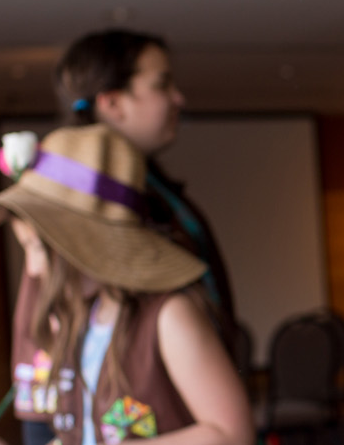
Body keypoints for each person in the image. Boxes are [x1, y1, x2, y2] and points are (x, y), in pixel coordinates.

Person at [0, 125, 251, 445]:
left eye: (36, 248)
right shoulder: (85, 319)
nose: (33, 270)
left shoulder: (170, 316)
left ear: (83, 247)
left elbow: (232, 435)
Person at [51, 28, 240, 367]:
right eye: (161, 84)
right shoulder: (92, 200)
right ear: (112, 102)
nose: (178, 98)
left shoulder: (150, 183)